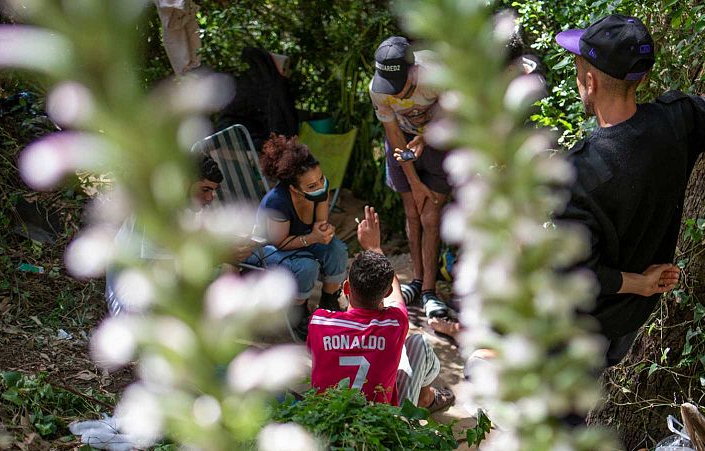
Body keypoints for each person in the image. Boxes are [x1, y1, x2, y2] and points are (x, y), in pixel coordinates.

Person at [554, 14, 705, 366]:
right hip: (632, 319)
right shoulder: (678, 120)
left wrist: (641, 282)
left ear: (589, 83)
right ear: (642, 77)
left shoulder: (576, 172)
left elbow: (580, 273)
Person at [307, 206, 455, 411]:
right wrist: (375, 247)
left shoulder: (319, 322)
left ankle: (425, 398)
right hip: (382, 424)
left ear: (347, 287)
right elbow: (396, 295)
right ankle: (425, 399)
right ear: (384, 295)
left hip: (330, 421)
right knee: (419, 344)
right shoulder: (394, 322)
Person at [369, 36, 450, 319]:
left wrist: (424, 140)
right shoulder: (377, 90)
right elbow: (393, 135)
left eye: (399, 86)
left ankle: (429, 291)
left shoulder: (436, 75)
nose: (394, 94)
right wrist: (414, 184)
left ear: (412, 72)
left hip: (439, 136)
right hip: (404, 140)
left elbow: (456, 114)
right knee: (413, 213)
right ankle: (416, 282)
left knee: (430, 216)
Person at [107, 152, 246, 315]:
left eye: (213, 191)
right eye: (205, 189)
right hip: (135, 306)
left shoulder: (182, 209)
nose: (210, 197)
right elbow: (168, 269)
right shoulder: (157, 210)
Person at [245, 134, 348, 339]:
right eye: (311, 186)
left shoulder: (320, 189)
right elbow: (280, 243)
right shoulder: (278, 203)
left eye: (321, 179)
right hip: (267, 249)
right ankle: (298, 311)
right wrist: (313, 238)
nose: (319, 186)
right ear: (293, 188)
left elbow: (320, 225)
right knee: (307, 266)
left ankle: (328, 302)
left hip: (299, 241)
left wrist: (324, 233)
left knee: (337, 249)